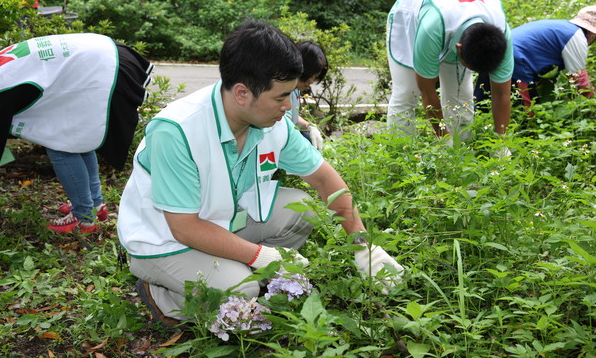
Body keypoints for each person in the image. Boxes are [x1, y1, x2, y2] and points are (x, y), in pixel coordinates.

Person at [116, 20, 404, 327]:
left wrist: (363, 245)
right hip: (164, 240)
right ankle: (163, 296)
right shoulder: (177, 131)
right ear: (242, 93)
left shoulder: (273, 124)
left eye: (292, 94)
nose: (289, 106)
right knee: (241, 295)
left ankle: (233, 266)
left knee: (303, 210)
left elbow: (324, 179)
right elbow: (184, 228)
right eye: (281, 96)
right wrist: (261, 257)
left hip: (220, 222)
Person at [0, 33, 153, 233]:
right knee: (78, 136)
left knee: (60, 143)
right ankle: (96, 205)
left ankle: (83, 217)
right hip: (104, 54)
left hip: (104, 68)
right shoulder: (0, 74)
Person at [386, 0, 513, 143]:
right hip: (411, 17)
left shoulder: (501, 33)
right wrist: (443, 137)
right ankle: (398, 156)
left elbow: (502, 93)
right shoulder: (431, 28)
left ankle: (461, 152)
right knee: (407, 93)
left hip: (454, 17)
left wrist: (500, 142)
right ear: (459, 48)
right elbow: (427, 90)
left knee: (461, 97)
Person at [474, 6, 596, 111]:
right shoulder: (576, 37)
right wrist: (592, 102)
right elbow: (580, 80)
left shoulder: (562, 27)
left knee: (480, 104)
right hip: (516, 61)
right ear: (592, 33)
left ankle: (468, 133)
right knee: (528, 111)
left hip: (495, 51)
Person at [285, 41, 328, 150]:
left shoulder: (295, 91)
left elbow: (292, 116)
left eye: (315, 77)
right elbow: (283, 119)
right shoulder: (282, 89)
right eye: (311, 76)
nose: (311, 82)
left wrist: (309, 126)